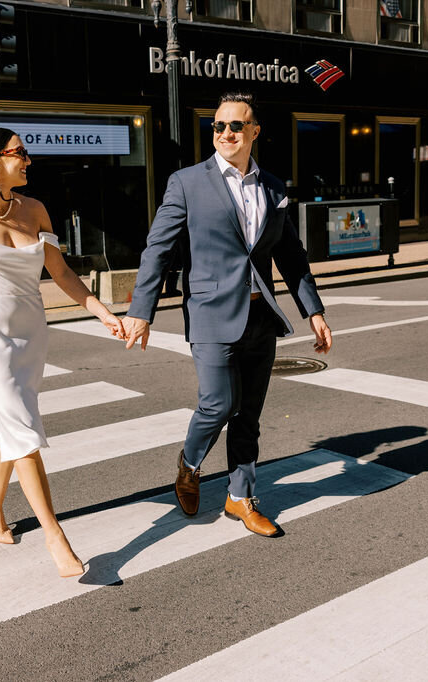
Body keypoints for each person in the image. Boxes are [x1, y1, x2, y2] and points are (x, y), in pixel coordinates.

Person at [0, 125, 126, 578]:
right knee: (23, 431)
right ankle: (56, 536)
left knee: (10, 426)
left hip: (31, 334)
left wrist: (102, 312)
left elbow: (63, 274)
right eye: (20, 153)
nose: (28, 160)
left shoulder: (34, 209)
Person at [123, 92, 332, 537]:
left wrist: (313, 309)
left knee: (249, 415)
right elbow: (157, 249)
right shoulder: (187, 182)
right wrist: (142, 311)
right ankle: (190, 462)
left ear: (254, 132)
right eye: (218, 126)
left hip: (261, 319)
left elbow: (290, 254)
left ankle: (240, 497)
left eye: (236, 126)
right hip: (211, 314)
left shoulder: (273, 186)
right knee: (218, 403)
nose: (225, 134)